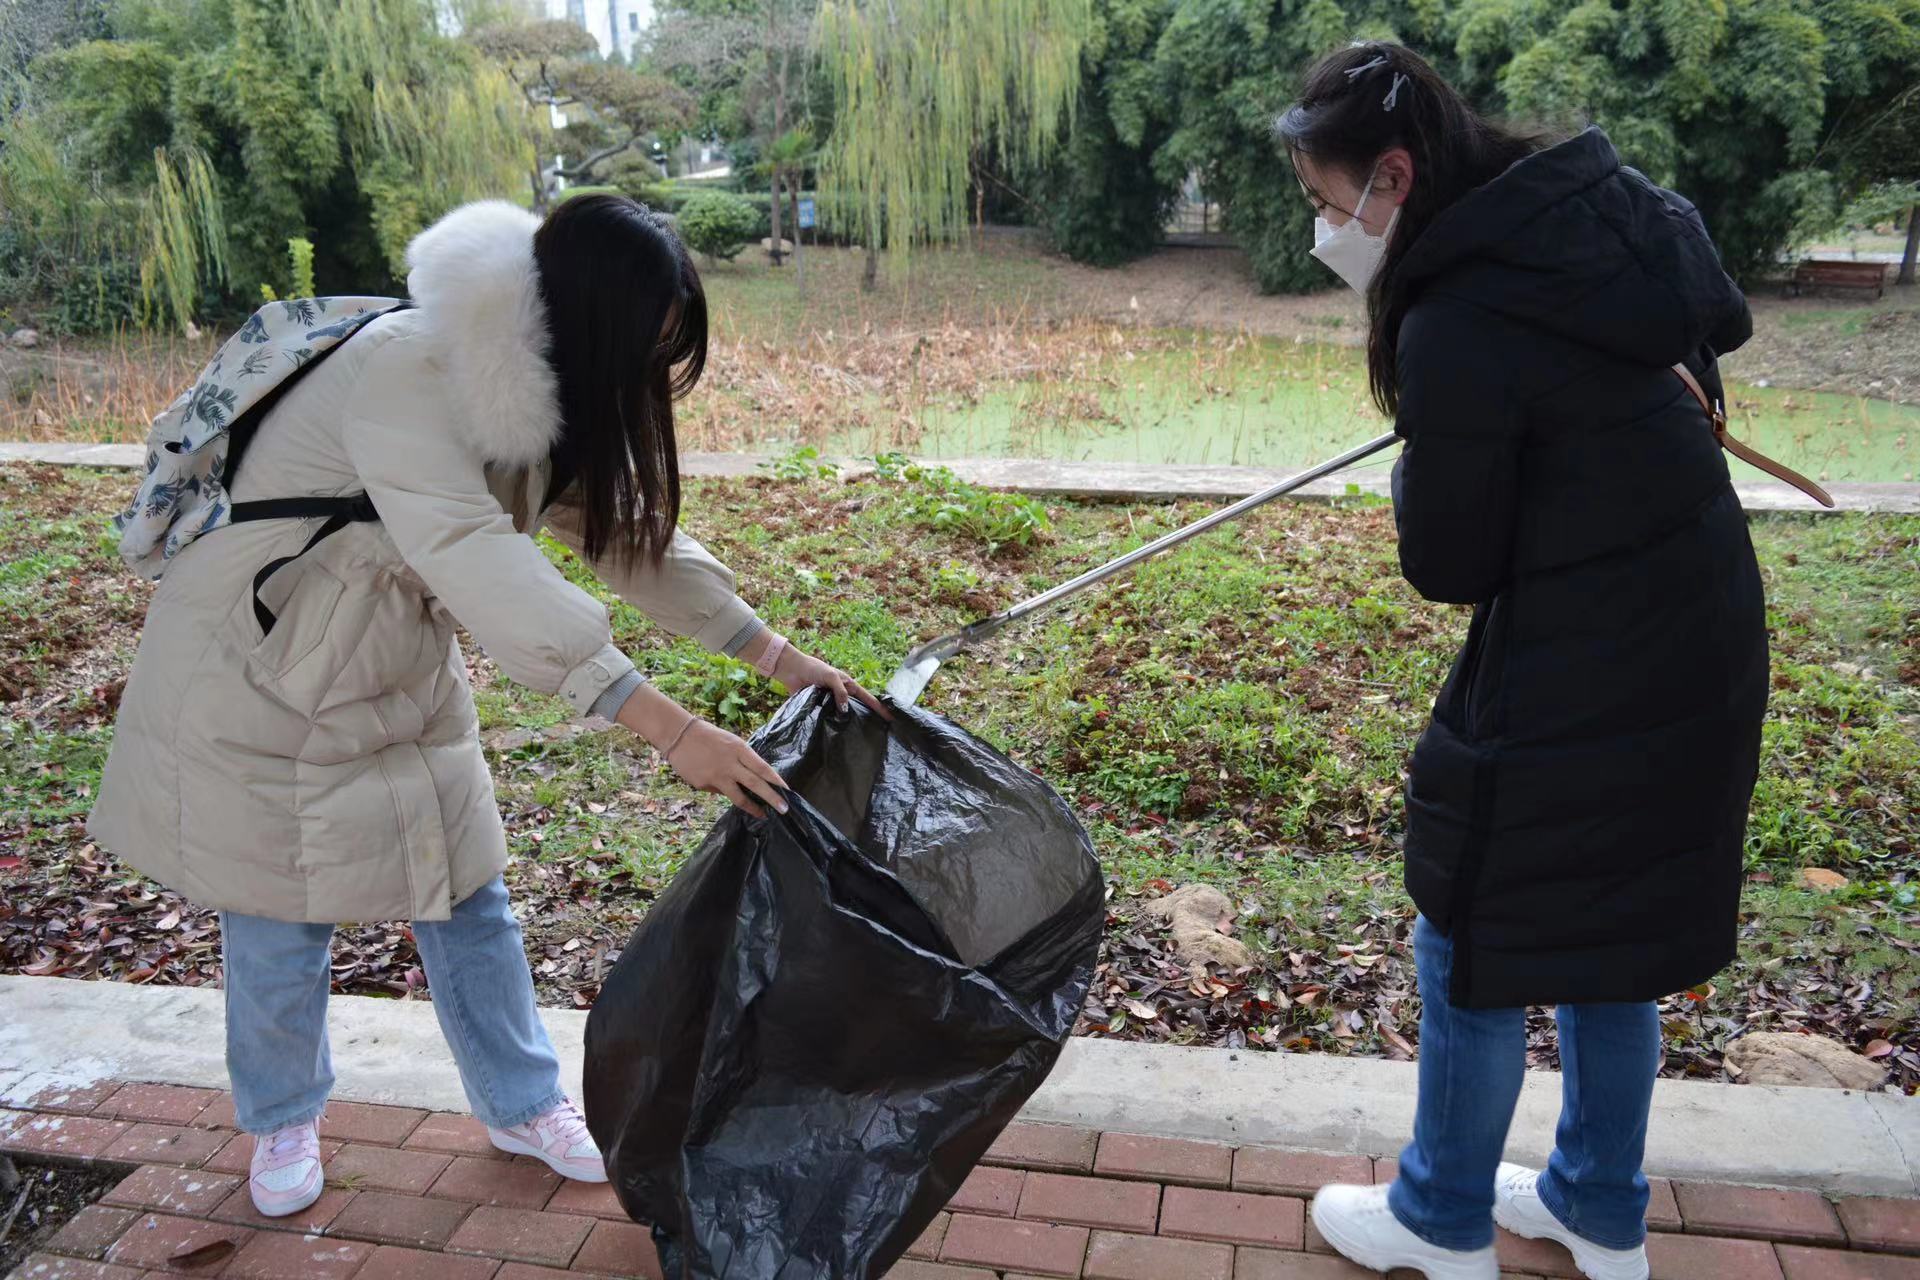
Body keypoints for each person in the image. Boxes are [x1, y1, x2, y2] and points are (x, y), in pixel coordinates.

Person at [87, 195, 885, 1218]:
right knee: (280, 906)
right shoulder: (411, 368)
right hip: (260, 658)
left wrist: (775, 655)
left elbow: (622, 534)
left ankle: (523, 1100)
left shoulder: (534, 390)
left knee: (467, 891)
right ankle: (282, 1114)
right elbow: (474, 552)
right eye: (652, 343)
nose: (654, 371)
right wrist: (671, 727)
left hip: (390, 660)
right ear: (591, 315)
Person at [1276, 43, 1767, 1280]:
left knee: (1470, 918)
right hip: (1695, 624)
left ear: (1394, 178)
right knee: (1622, 920)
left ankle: (1440, 1218)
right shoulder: (1590, 210)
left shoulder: (1455, 316)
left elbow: (1450, 559)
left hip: (1589, 647)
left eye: (1332, 206)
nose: (1329, 232)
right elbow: (1713, 318)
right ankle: (1599, 1206)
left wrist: (1418, 456)